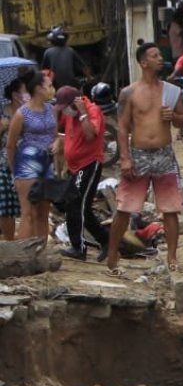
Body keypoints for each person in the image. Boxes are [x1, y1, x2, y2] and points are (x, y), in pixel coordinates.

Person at [107, 42, 183, 276]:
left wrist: (174, 116)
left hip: (164, 153)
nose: (160, 59)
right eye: (154, 56)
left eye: (160, 55)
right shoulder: (129, 93)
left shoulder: (171, 91)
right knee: (124, 208)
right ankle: (113, 253)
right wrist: (124, 157)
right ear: (143, 62)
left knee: (171, 209)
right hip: (139, 154)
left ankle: (172, 257)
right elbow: (121, 128)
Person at [55, 86, 109, 261]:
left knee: (75, 204)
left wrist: (83, 113)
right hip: (75, 166)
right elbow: (62, 129)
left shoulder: (92, 111)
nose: (65, 111)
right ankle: (106, 240)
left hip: (89, 163)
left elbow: (90, 135)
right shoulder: (70, 114)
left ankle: (79, 247)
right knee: (81, 207)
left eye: (66, 107)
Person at [5, 71, 60, 240]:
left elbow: (56, 134)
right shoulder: (22, 113)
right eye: (49, 86)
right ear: (38, 89)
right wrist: (14, 169)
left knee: (43, 213)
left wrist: (58, 142)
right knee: (28, 213)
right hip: (27, 163)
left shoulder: (51, 109)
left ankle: (40, 253)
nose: (53, 89)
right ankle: (23, 257)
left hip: (47, 162)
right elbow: (10, 145)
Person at [0, 79, 29, 240]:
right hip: (4, 163)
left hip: (25, 164)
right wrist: (3, 127)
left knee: (27, 207)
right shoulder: (3, 112)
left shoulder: (29, 113)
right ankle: (10, 241)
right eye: (25, 91)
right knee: (6, 206)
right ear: (15, 95)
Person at [41, 26, 90, 90]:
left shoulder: (48, 52)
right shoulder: (70, 50)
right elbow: (84, 68)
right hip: (71, 86)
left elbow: (43, 71)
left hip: (56, 87)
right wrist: (89, 77)